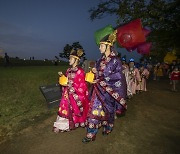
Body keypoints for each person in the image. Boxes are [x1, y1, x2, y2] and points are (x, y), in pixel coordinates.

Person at [82, 29, 127, 143]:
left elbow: (118, 77)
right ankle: (91, 133)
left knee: (108, 111)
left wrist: (102, 76)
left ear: (108, 46)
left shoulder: (116, 61)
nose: (99, 48)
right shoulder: (99, 60)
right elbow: (98, 73)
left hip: (109, 91)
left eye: (101, 45)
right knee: (94, 109)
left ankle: (108, 126)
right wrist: (94, 72)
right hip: (97, 90)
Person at [53, 48, 89, 133]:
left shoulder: (80, 71)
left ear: (76, 60)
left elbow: (82, 85)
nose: (69, 60)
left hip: (75, 93)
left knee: (71, 108)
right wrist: (62, 78)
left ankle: (68, 124)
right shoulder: (68, 70)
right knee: (64, 107)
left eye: (71, 58)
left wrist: (71, 86)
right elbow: (66, 80)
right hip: (67, 93)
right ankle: (60, 124)